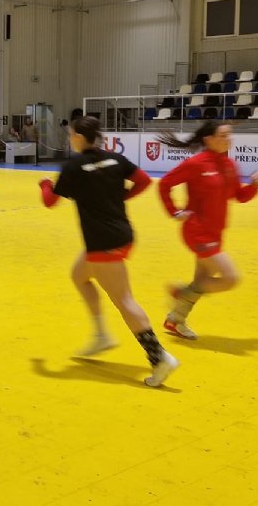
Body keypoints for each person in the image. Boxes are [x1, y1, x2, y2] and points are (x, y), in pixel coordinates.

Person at [39, 116, 178, 387]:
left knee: (124, 300)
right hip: (121, 235)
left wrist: (45, 184)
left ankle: (159, 357)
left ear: (79, 137)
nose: (70, 138)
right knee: (79, 276)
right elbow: (144, 181)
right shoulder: (116, 159)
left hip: (103, 243)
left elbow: (50, 201)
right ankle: (101, 334)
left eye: (71, 134)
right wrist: (120, 197)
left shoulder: (73, 166)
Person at [156, 121, 258, 340]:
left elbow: (239, 196)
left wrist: (254, 187)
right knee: (230, 278)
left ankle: (175, 319)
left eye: (229, 135)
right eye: (223, 135)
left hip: (216, 232)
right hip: (197, 231)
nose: (228, 139)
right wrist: (174, 211)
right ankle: (181, 292)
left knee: (203, 280)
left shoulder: (230, 165)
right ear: (209, 139)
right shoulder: (196, 163)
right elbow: (164, 184)